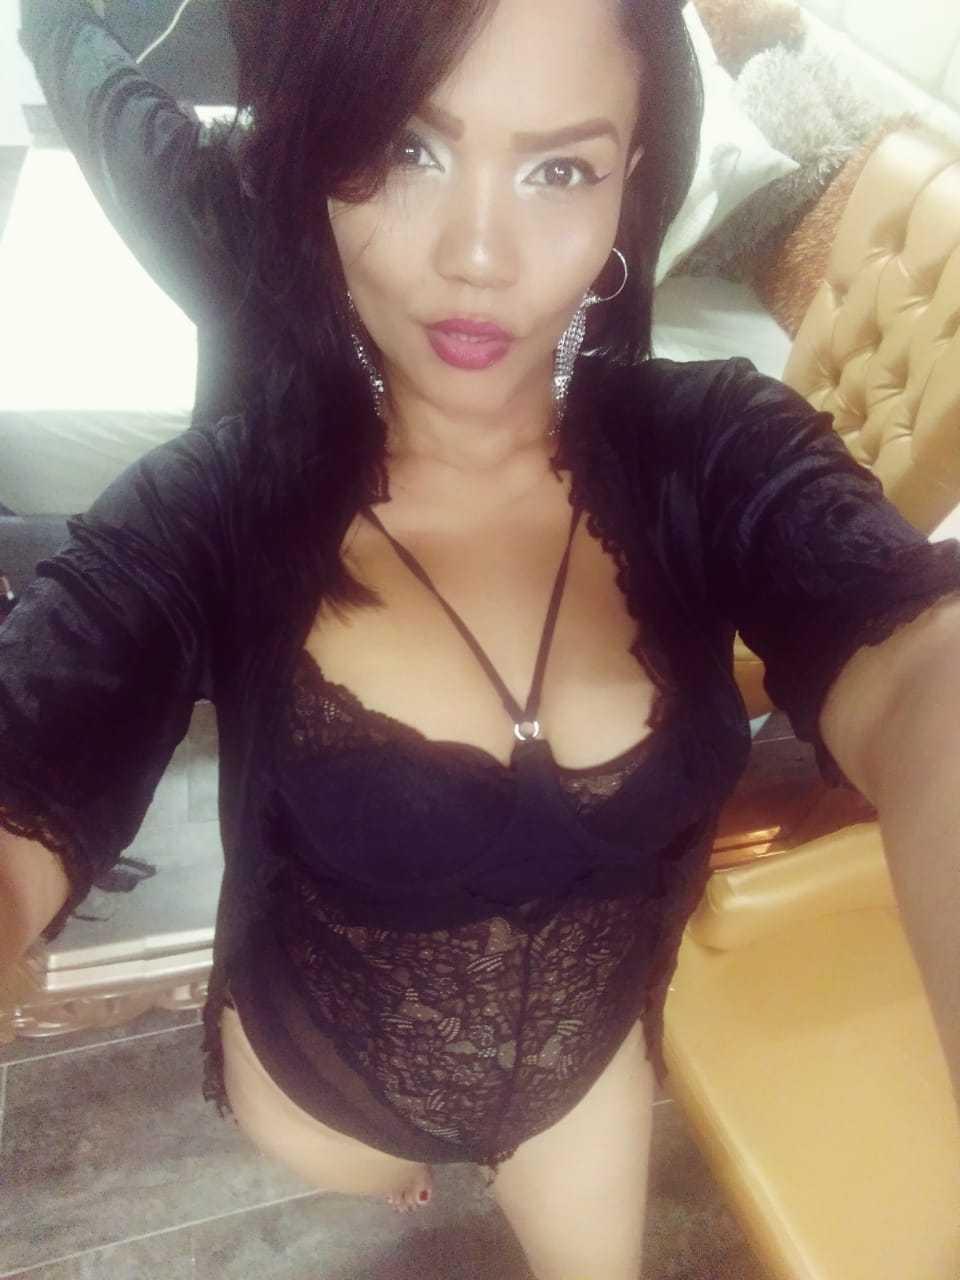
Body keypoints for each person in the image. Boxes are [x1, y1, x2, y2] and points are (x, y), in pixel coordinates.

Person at [4, 0, 960, 1274]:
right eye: (408, 148)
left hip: (579, 1083)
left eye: (560, 170)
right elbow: (43, 733)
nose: (477, 256)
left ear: (630, 188)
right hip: (321, 1094)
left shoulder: (711, 449)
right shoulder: (221, 504)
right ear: (318, 154)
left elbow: (925, 671)